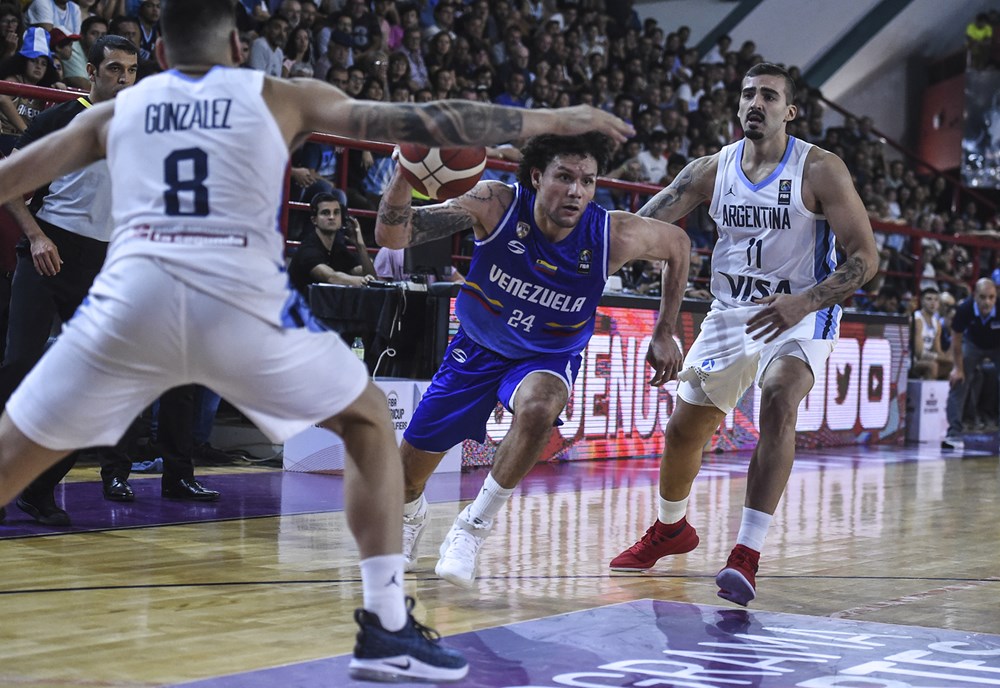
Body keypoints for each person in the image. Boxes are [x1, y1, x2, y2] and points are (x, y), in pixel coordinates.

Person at [0, 0, 634, 680]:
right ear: (241, 46)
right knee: (365, 424)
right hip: (238, 306)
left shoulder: (113, 113)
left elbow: (10, 178)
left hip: (131, 303)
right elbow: (435, 122)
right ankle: (387, 623)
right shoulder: (280, 94)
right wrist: (552, 123)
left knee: (12, 455)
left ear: (158, 56)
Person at [610, 63, 878, 607]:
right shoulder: (710, 169)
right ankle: (672, 528)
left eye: (770, 96)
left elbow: (865, 259)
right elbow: (641, 227)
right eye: (748, 94)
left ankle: (746, 554)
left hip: (801, 309)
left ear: (790, 111)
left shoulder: (820, 169)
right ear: (738, 106)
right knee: (685, 431)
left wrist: (805, 301)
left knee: (779, 399)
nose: (756, 102)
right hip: (731, 312)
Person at [375, 131, 690, 589]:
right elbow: (391, 234)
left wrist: (665, 330)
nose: (576, 191)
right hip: (477, 349)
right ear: (538, 176)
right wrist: (406, 174)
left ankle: (472, 528)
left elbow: (678, 244)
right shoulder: (496, 204)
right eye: (564, 177)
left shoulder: (611, 233)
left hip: (547, 354)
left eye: (587, 180)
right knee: (406, 479)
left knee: (541, 406)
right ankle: (409, 517)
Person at [0, 34, 138, 525]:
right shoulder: (61, 118)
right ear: (93, 72)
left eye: (131, 71)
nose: (124, 80)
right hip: (47, 252)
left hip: (99, 265)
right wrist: (36, 237)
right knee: (17, 370)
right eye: (114, 69)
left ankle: (38, 491)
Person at [943, 278, 1000, 450]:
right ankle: (953, 433)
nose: (987, 302)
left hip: (997, 345)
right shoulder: (964, 308)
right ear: (974, 296)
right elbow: (957, 338)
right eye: (982, 297)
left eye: (991, 297)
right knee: (958, 381)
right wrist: (957, 368)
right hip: (972, 343)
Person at [288, 192, 377, 294]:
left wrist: (360, 246)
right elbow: (331, 277)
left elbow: (370, 276)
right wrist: (363, 281)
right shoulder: (308, 249)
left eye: (336, 212)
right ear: (314, 220)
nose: (331, 217)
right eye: (325, 213)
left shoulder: (338, 248)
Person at [910, 287, 947, 381]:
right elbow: (919, 353)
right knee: (932, 366)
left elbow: (937, 349)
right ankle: (928, 395)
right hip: (910, 361)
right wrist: (942, 358)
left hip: (926, 359)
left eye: (936, 299)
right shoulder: (917, 320)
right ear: (922, 301)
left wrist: (947, 359)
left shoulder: (937, 323)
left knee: (951, 367)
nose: (933, 303)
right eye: (929, 299)